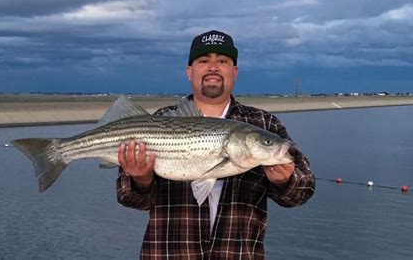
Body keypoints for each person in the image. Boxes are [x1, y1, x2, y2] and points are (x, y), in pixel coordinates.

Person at [116, 30, 315, 259]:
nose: (213, 67)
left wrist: (286, 181)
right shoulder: (161, 120)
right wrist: (140, 180)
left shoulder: (264, 123)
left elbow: (303, 191)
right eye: (203, 61)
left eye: (222, 61)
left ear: (235, 71)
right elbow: (130, 198)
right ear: (189, 72)